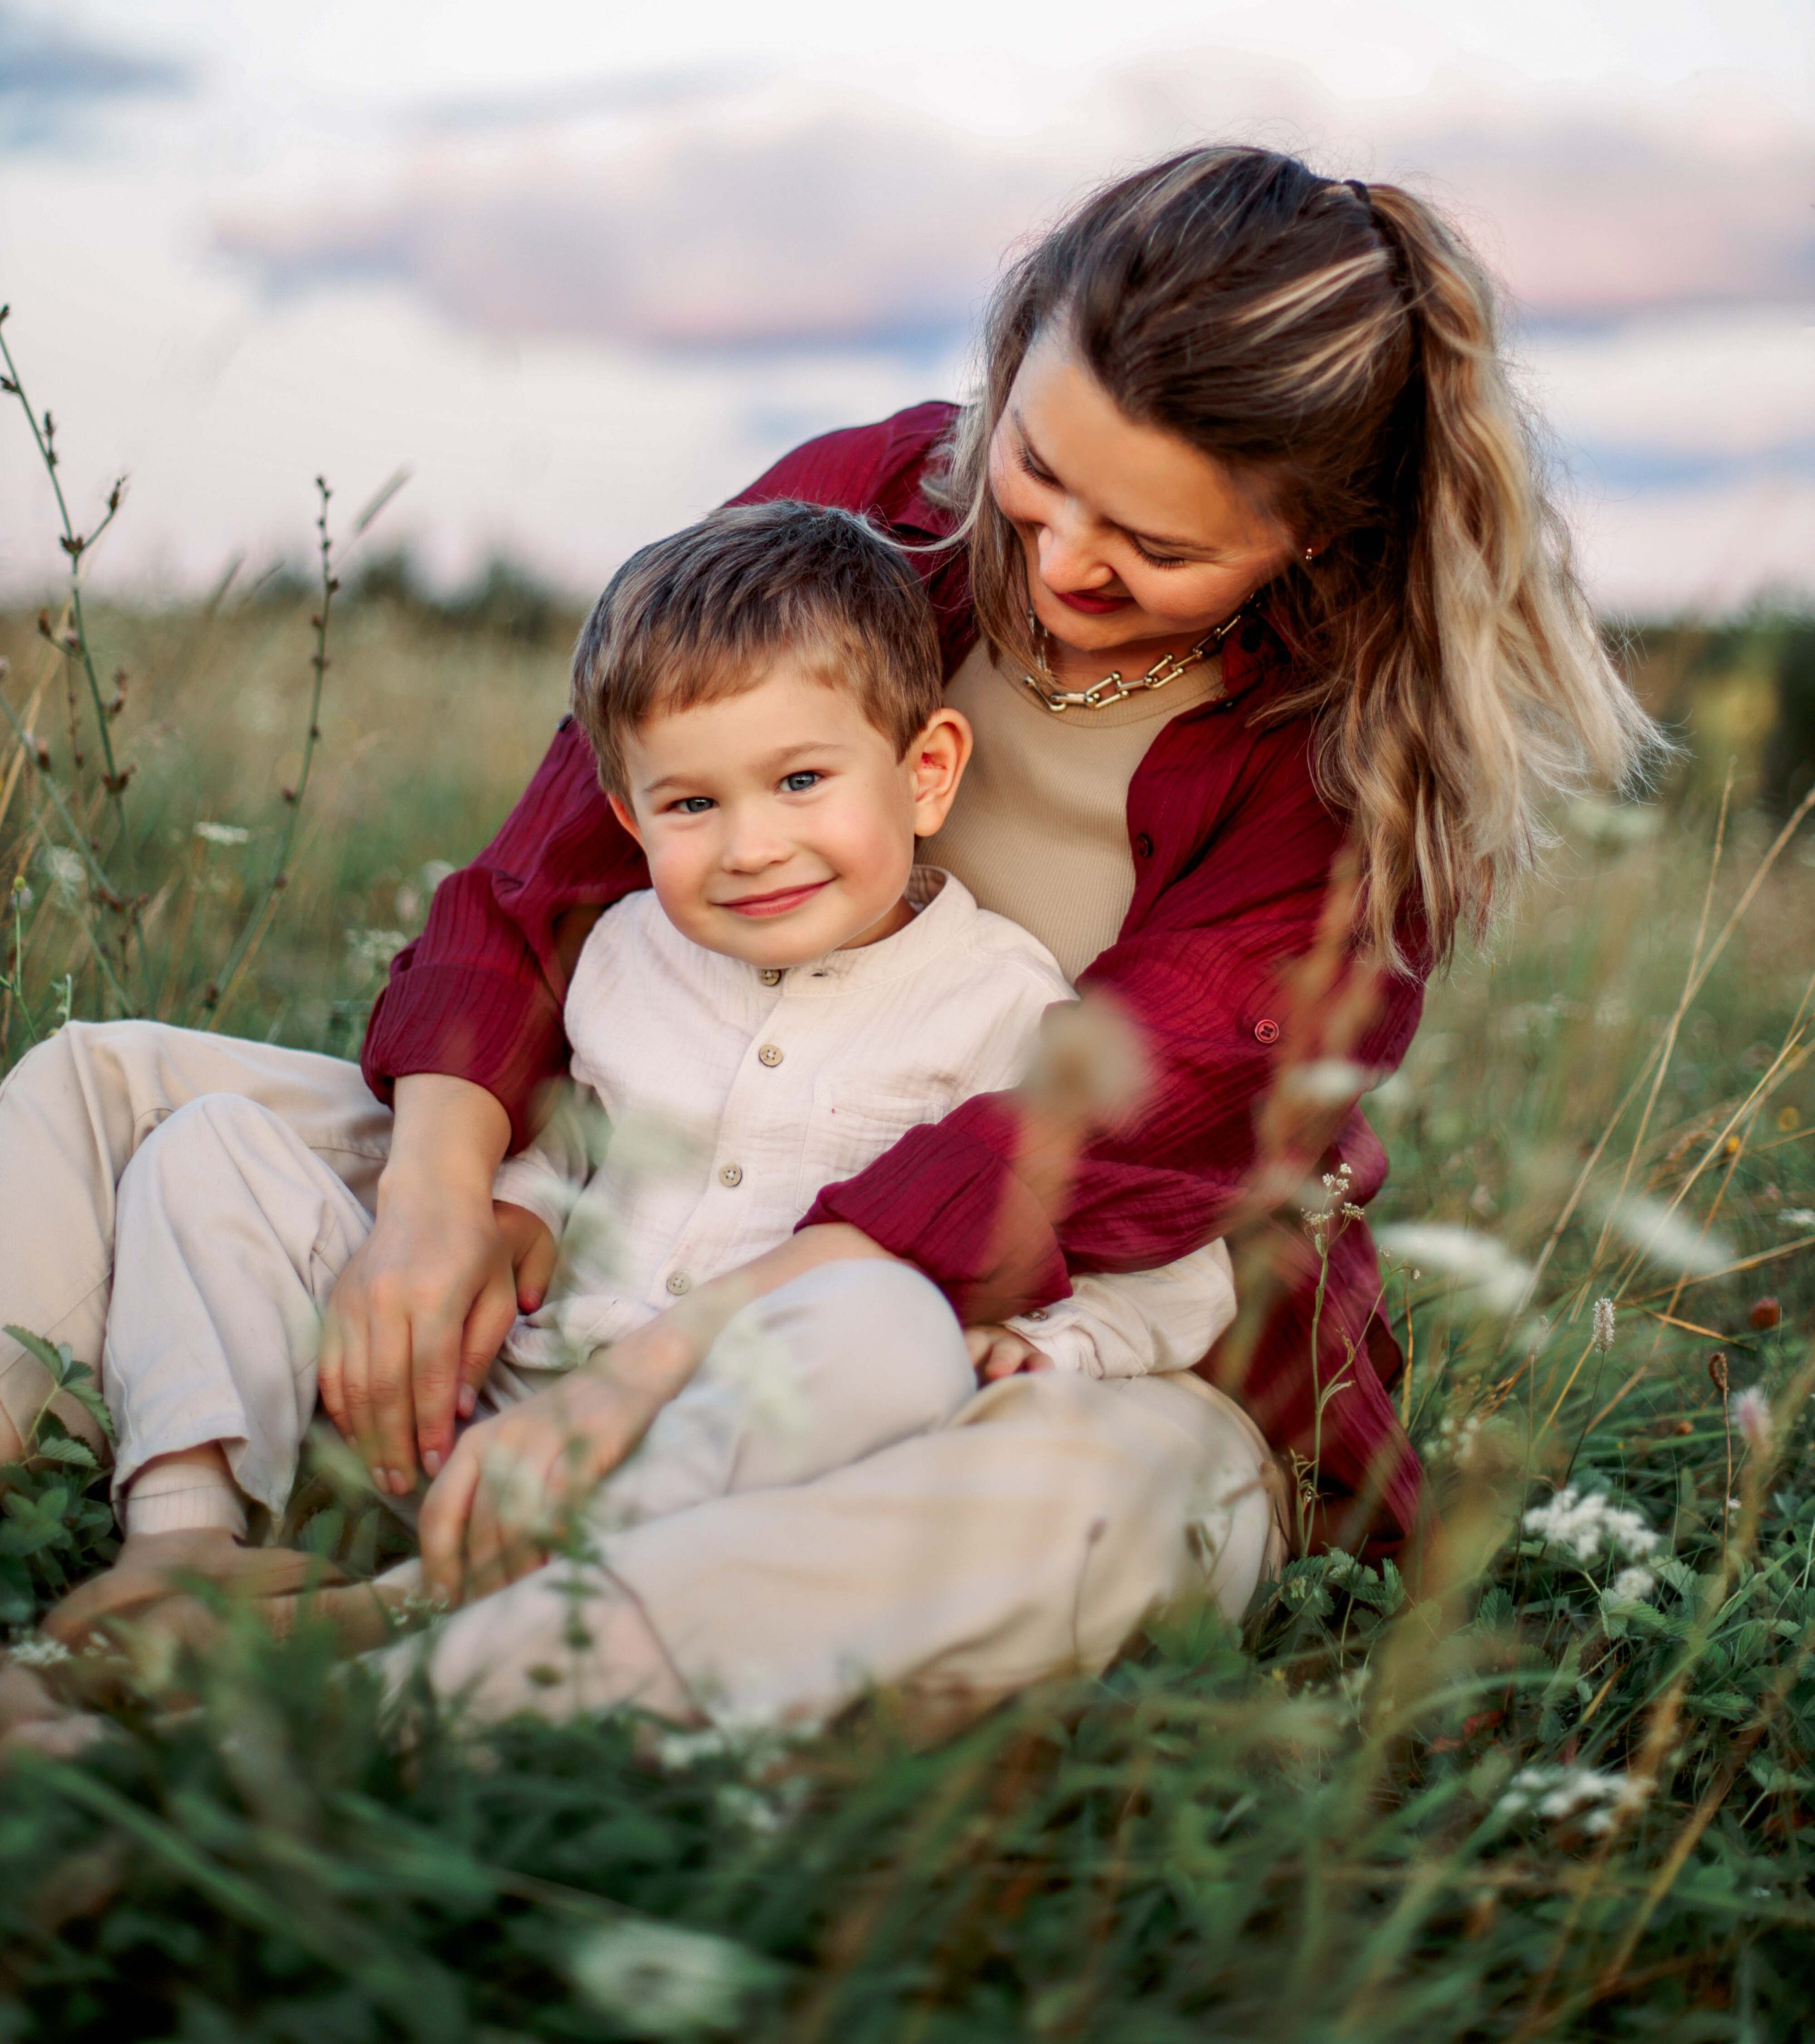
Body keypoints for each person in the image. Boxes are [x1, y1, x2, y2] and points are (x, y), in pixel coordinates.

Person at [0, 147, 1655, 1734]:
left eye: (1152, 547)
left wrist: (640, 1378)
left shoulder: (1349, 774)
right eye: (1042, 469)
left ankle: (334, 1712)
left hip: (1043, 1333)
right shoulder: (870, 501)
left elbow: (1067, 1162)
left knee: (1054, 1512)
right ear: (1014, 362)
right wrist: (442, 1203)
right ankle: (184, 1526)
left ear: (1314, 534)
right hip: (653, 1169)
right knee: (115, 1094)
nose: (1060, 558)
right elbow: (554, 869)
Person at [54, 503, 1243, 1651]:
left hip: (733, 1448)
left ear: (926, 770)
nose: (751, 846)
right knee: (213, 1143)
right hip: (520, 1403)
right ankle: (184, 1532)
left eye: (801, 782)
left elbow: (1169, 1263)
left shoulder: (1007, 1004)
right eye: (691, 802)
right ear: (627, 816)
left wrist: (1062, 1344)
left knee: (883, 1333)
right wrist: (516, 1195)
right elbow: (586, 1132)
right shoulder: (627, 952)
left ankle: (427, 1611)